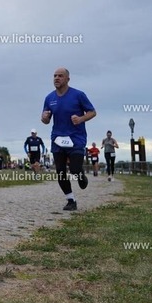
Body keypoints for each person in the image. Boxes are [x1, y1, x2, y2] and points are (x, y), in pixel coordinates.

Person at [41, 67, 96, 211]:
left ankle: (81, 175)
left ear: (67, 79)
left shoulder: (78, 95)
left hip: (76, 137)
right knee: (60, 171)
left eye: (60, 76)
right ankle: (71, 200)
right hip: (57, 138)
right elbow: (45, 120)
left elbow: (92, 112)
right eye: (55, 76)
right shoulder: (49, 98)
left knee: (75, 169)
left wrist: (81, 119)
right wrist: (44, 118)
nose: (56, 78)